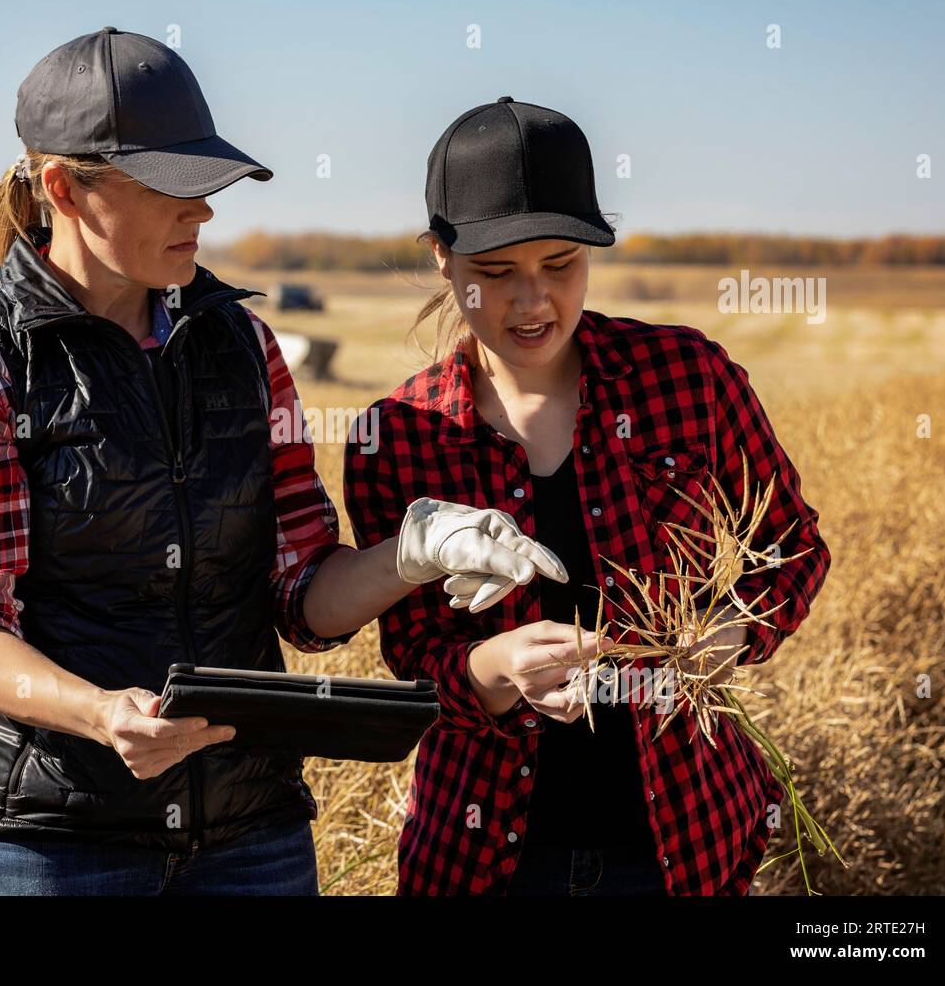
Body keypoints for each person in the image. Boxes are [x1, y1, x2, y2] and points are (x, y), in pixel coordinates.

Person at [0, 31, 568, 896]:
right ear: (63, 189)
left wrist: (413, 553)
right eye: (174, 186)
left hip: (252, 835)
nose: (203, 212)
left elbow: (304, 599)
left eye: (207, 186)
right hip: (50, 842)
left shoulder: (243, 346)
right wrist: (100, 714)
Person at [343, 97, 832, 895]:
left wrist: (723, 640)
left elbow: (794, 548)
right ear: (441, 258)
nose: (533, 302)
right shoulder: (397, 433)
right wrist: (492, 668)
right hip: (482, 855)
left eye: (561, 266)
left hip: (686, 838)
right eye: (496, 275)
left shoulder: (687, 376)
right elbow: (413, 655)